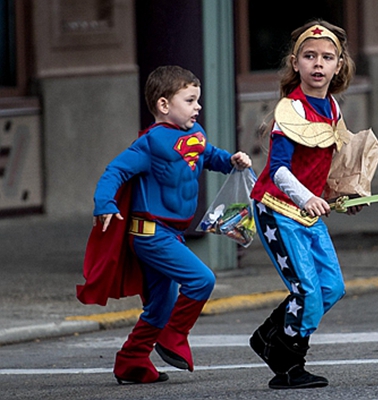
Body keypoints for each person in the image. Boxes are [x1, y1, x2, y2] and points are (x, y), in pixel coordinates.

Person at [81, 65, 251, 384]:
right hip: (151, 235)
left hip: (170, 234)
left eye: (197, 100)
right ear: (163, 105)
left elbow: (209, 156)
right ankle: (173, 336)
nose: (197, 106)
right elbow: (115, 171)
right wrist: (104, 203)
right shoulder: (150, 143)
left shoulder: (195, 135)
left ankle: (131, 361)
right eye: (189, 100)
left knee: (160, 305)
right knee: (201, 280)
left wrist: (231, 160)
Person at [249, 20, 359, 389]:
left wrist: (343, 196)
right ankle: (288, 363)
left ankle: (268, 334)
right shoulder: (290, 110)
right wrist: (307, 198)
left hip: (306, 211)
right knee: (307, 291)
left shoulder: (332, 108)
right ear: (295, 63)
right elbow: (279, 171)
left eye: (327, 57)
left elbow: (325, 170)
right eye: (309, 56)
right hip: (276, 208)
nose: (318, 64)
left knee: (331, 287)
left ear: (338, 65)